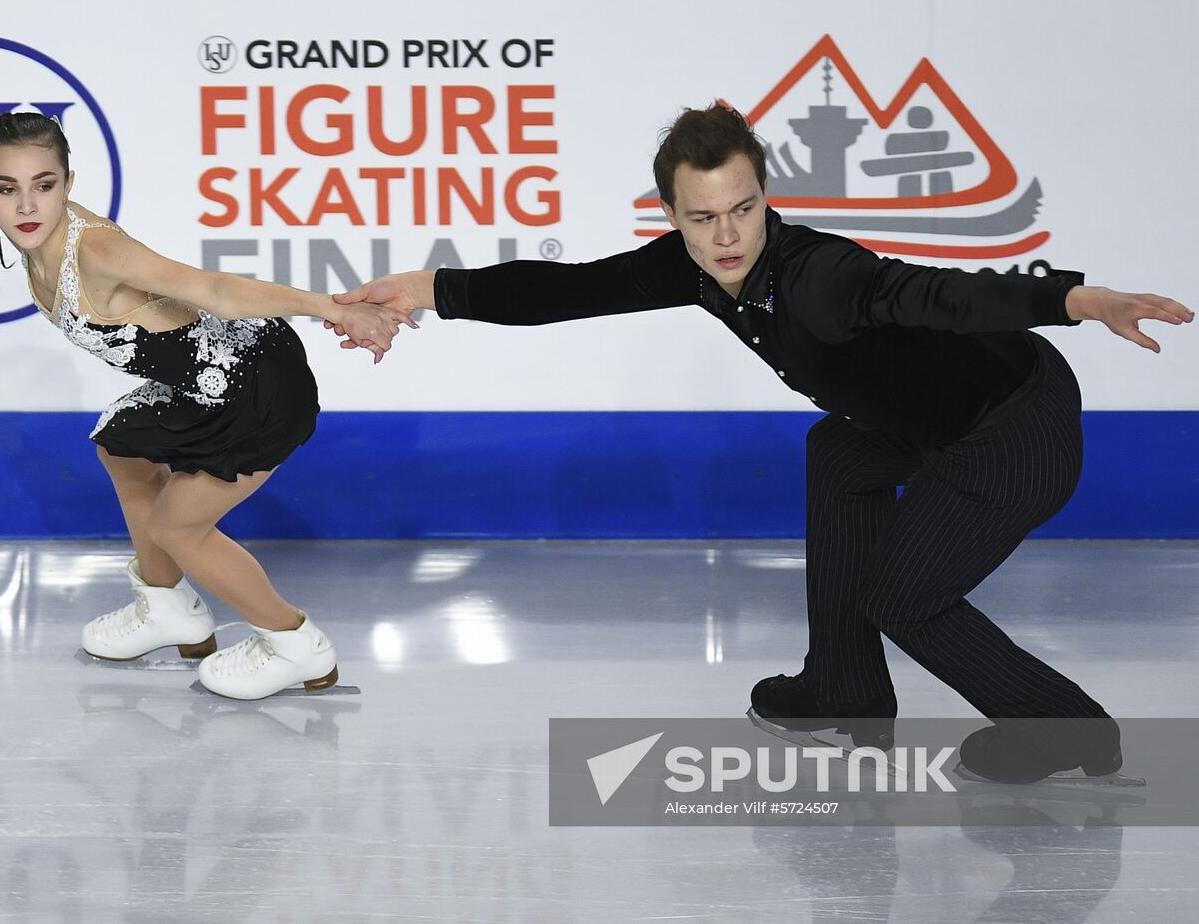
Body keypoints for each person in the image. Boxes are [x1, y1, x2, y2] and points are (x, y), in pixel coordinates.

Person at [329, 103, 1193, 783]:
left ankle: (1068, 730)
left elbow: (941, 296)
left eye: (743, 209)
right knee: (838, 452)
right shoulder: (690, 263)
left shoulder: (822, 278)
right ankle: (846, 690)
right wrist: (424, 288)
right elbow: (567, 289)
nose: (728, 236)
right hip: (930, 420)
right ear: (674, 214)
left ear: (765, 198)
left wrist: (1077, 298)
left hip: (1013, 429)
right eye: (703, 218)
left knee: (906, 599)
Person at [0, 73, 412, 701]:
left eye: (45, 186)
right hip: (200, 377)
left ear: (69, 185)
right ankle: (169, 609)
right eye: (8, 189)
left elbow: (213, 289)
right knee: (121, 446)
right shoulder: (20, 216)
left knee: (179, 527)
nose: (27, 206)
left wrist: (333, 307)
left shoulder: (98, 251)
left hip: (255, 382)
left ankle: (297, 644)